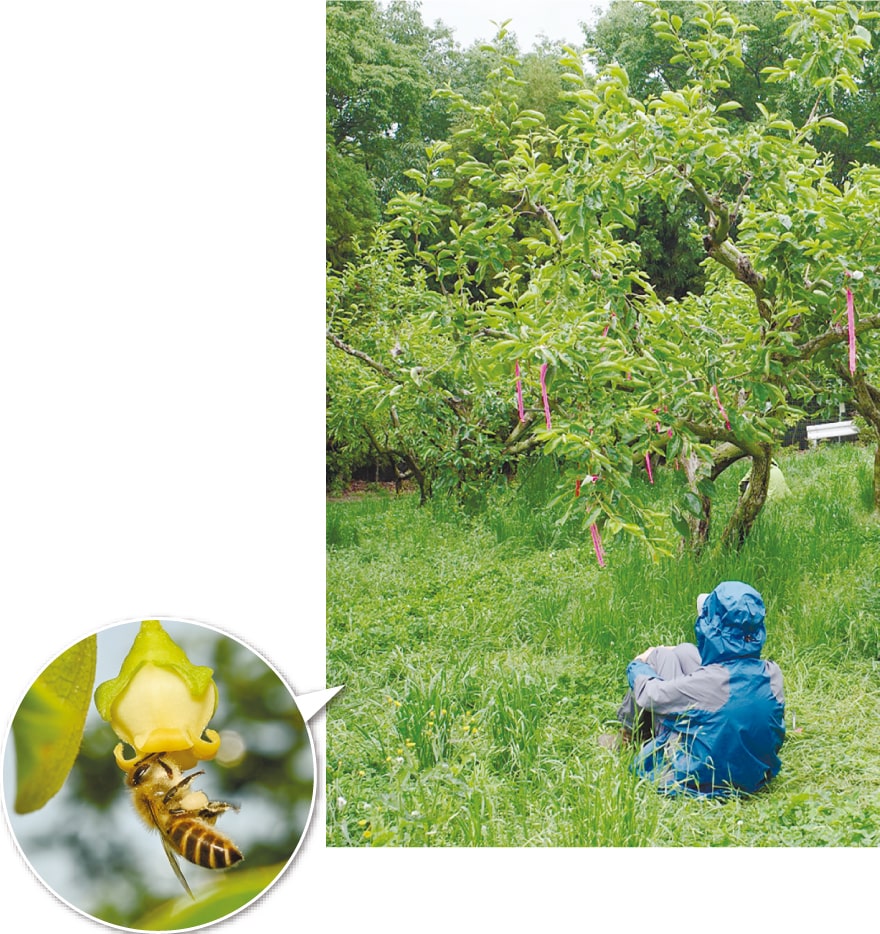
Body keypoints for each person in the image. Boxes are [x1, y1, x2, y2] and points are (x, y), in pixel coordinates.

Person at [605, 581, 785, 798]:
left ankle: (628, 735)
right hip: (754, 774)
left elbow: (649, 694)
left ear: (711, 630)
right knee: (684, 651)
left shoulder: (708, 685)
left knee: (659, 658)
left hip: (700, 774)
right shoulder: (772, 674)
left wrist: (639, 663)